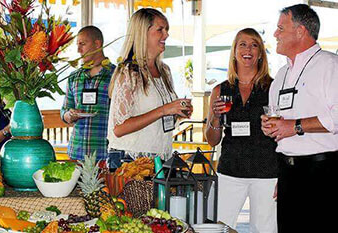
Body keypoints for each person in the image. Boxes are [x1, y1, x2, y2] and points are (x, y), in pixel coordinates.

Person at [261, 4, 338, 232]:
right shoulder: (281, 75)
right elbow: (280, 123)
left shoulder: (330, 65)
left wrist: (293, 126)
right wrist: (271, 128)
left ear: (300, 31)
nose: (275, 34)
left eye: (280, 28)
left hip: (323, 172)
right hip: (288, 172)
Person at [205, 28, 278, 232]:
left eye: (254, 45)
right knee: (218, 227)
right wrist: (216, 116)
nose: (248, 50)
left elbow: (283, 134)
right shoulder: (220, 90)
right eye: (243, 44)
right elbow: (212, 140)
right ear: (235, 51)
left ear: (261, 53)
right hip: (230, 171)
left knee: (265, 230)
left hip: (266, 171)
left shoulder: (273, 88)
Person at [107, 8, 193, 167]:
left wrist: (177, 113)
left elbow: (159, 121)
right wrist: (165, 109)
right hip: (130, 159)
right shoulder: (128, 72)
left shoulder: (165, 71)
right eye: (160, 29)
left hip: (161, 157)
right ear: (142, 33)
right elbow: (118, 129)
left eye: (166, 30)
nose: (166, 35)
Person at [61, 26, 115, 161]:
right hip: (76, 153)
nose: (79, 50)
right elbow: (64, 111)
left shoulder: (116, 75)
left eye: (82, 44)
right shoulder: (74, 76)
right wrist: (70, 115)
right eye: (77, 45)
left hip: (105, 154)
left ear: (97, 44)